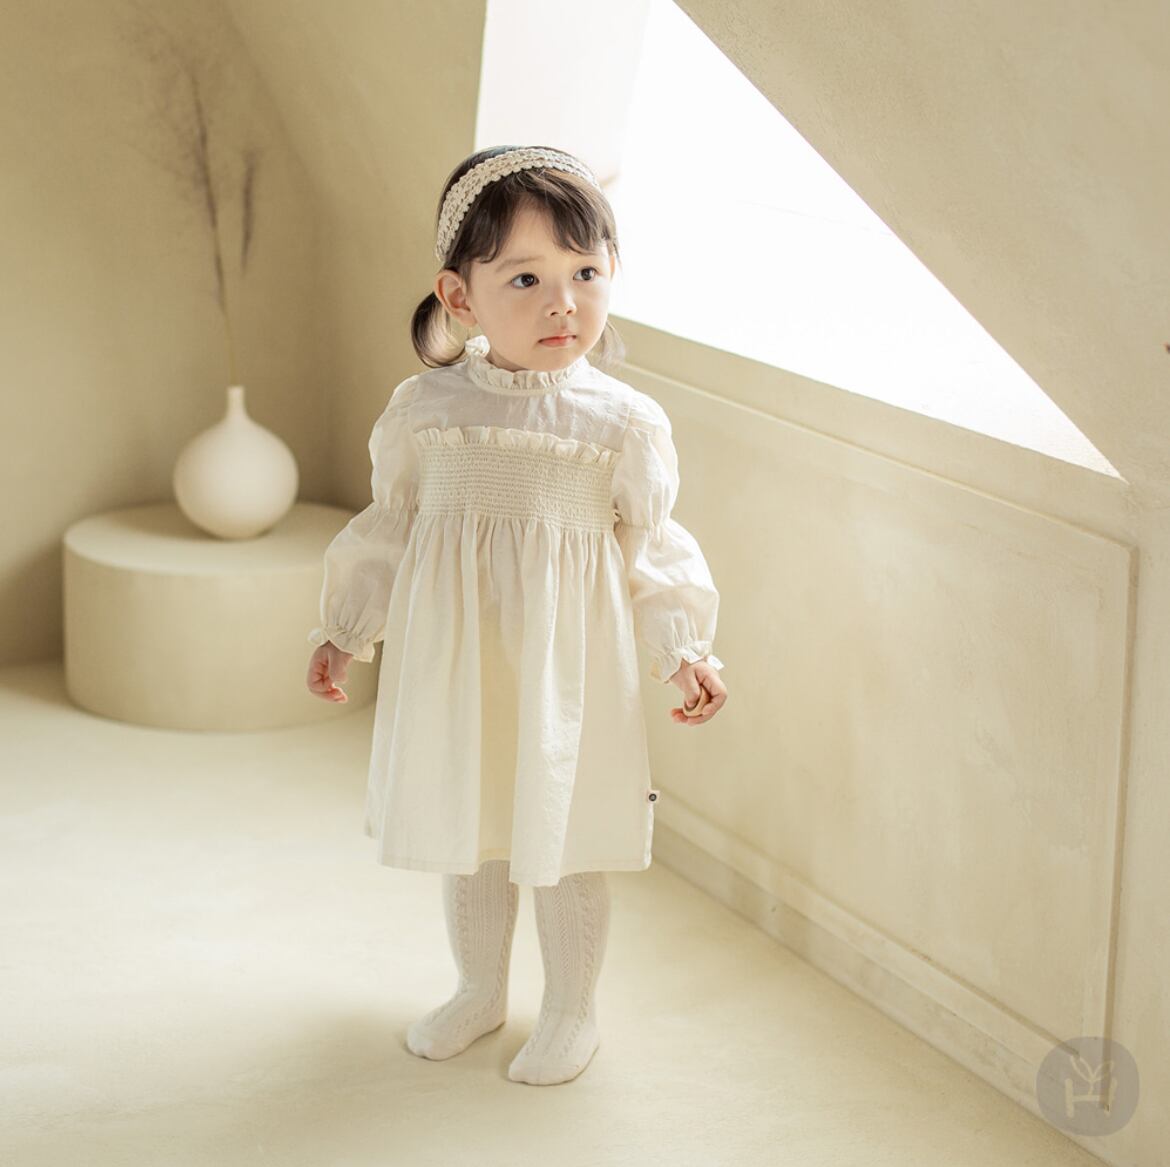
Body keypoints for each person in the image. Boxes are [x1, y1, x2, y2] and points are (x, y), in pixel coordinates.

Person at [305, 145, 728, 1086]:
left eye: (586, 274)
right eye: (527, 279)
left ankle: (573, 1008)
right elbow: (389, 527)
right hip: (461, 663)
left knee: (563, 838)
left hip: (568, 669)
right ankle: (478, 989)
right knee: (476, 830)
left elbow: (652, 546)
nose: (563, 303)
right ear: (460, 296)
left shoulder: (619, 422)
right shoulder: (427, 410)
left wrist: (683, 649)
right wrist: (346, 628)